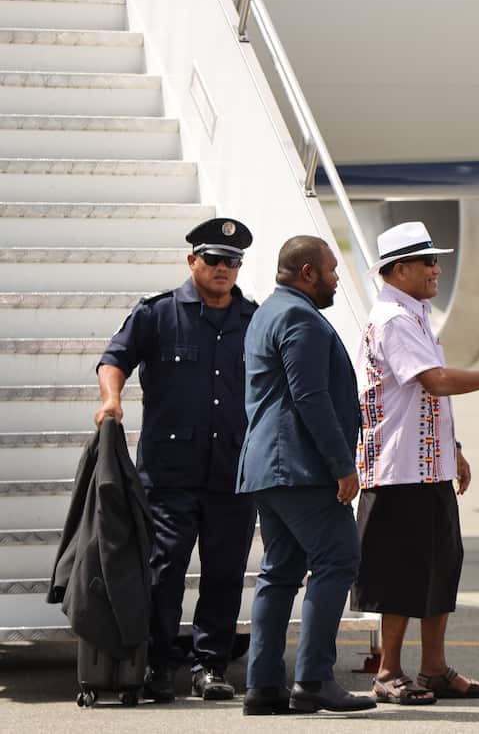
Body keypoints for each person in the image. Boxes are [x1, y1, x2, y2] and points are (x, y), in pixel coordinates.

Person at [351, 221, 479, 704]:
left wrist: (454, 447)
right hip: (398, 469)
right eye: (427, 261)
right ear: (399, 269)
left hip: (428, 466)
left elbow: (423, 397)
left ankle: (433, 669)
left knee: (440, 568)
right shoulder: (395, 320)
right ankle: (388, 672)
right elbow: (436, 381)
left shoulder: (415, 313)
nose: (436, 269)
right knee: (399, 573)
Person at [94, 217, 257, 702]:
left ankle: (210, 667)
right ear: (193, 261)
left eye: (233, 262)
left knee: (225, 571)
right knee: (164, 570)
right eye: (214, 259)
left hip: (233, 470)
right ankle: (158, 665)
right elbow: (114, 359)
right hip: (170, 472)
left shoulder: (254, 319)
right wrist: (111, 399)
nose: (224, 268)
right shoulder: (157, 314)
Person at [237, 236, 375, 715]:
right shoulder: (300, 318)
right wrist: (343, 466)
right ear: (308, 272)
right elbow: (309, 397)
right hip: (300, 468)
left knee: (280, 572)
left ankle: (264, 686)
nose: (338, 277)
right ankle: (314, 679)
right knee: (338, 559)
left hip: (268, 468)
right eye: (333, 269)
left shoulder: (266, 313)